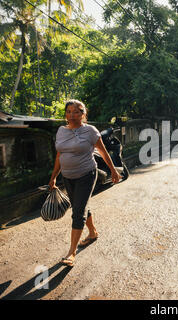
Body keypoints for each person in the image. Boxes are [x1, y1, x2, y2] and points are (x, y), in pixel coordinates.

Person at [48, 99, 122, 267]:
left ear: (83, 114)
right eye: (69, 112)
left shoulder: (90, 131)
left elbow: (103, 152)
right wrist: (53, 177)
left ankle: (71, 253)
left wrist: (113, 170)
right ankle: (93, 232)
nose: (72, 115)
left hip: (86, 174)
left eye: (76, 112)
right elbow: (59, 156)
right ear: (65, 114)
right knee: (78, 206)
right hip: (67, 176)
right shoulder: (61, 131)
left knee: (78, 211)